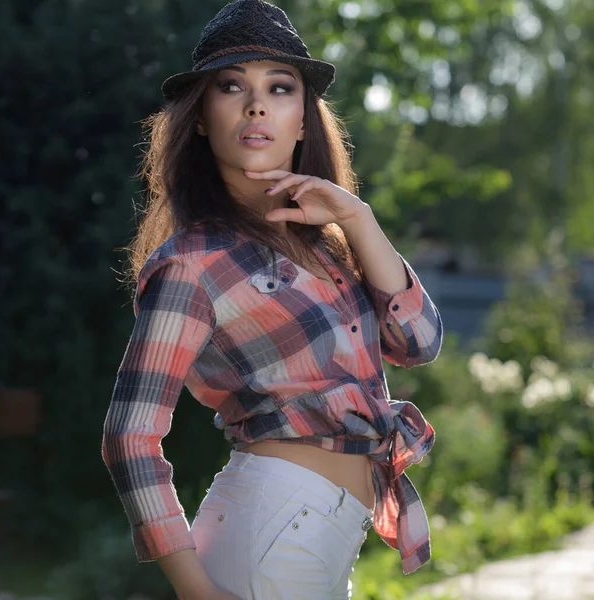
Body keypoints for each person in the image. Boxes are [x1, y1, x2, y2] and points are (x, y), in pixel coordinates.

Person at [101, 0, 444, 598]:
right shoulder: (194, 261)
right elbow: (130, 434)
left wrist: (359, 221)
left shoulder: (329, 248)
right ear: (202, 117)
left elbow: (419, 342)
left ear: (304, 120)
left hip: (327, 533)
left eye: (279, 88)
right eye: (231, 86)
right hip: (274, 528)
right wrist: (194, 588)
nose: (256, 104)